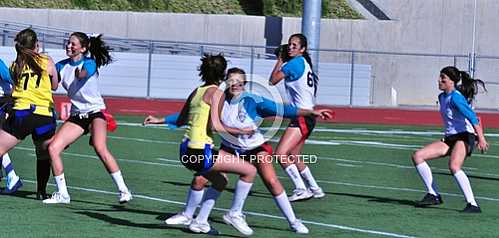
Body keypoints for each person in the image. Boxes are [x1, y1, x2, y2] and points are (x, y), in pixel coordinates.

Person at [145, 67, 333, 234]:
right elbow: (189, 116)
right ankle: (191, 215)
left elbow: (284, 109)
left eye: (239, 82)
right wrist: (161, 120)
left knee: (271, 180)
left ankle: (293, 222)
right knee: (201, 177)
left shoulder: (254, 101)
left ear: (244, 85)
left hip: (255, 147)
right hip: (231, 147)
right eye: (231, 81)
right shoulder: (219, 99)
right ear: (226, 82)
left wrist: (311, 112)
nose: (235, 85)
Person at [145, 54, 257, 234]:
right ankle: (234, 214)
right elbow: (216, 126)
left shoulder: (196, 91)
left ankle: (199, 221)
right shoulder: (217, 93)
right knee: (250, 171)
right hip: (200, 151)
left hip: (185, 150)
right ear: (223, 74)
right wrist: (244, 131)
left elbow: (182, 119)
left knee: (220, 180)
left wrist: (159, 120)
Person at [43, 32, 132, 204]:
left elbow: (84, 74)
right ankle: (63, 194)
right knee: (53, 148)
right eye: (68, 43)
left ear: (83, 48)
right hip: (77, 116)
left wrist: (79, 74)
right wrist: (49, 69)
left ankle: (124, 190)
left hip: (95, 113)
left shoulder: (89, 63)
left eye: (73, 44)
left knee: (100, 147)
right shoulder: (61, 65)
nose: (69, 46)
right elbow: (53, 86)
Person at [412, 66, 488, 213]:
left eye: (443, 78)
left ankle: (473, 204)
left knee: (454, 166)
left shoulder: (456, 97)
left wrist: (482, 138)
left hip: (465, 136)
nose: (439, 80)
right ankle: (433, 194)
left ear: (451, 82)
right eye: (440, 77)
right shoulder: (442, 97)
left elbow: (473, 118)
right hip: (450, 138)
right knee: (418, 156)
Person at [0, 28, 58, 199]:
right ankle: (41, 192)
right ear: (36, 45)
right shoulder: (47, 61)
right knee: (42, 155)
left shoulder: (15, 65)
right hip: (44, 115)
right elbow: (55, 86)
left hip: (22, 114)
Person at [269, 33, 325, 202]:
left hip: (303, 115)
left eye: (294, 45)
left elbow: (272, 81)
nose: (290, 47)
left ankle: (301, 188)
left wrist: (280, 59)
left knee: (280, 154)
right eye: (289, 45)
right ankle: (315, 188)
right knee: (293, 155)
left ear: (302, 49)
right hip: (308, 115)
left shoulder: (294, 63)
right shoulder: (304, 63)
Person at [0, 58, 23, 194]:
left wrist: (13, 104)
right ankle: (10, 175)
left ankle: (11, 175)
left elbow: (13, 80)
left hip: (3, 102)